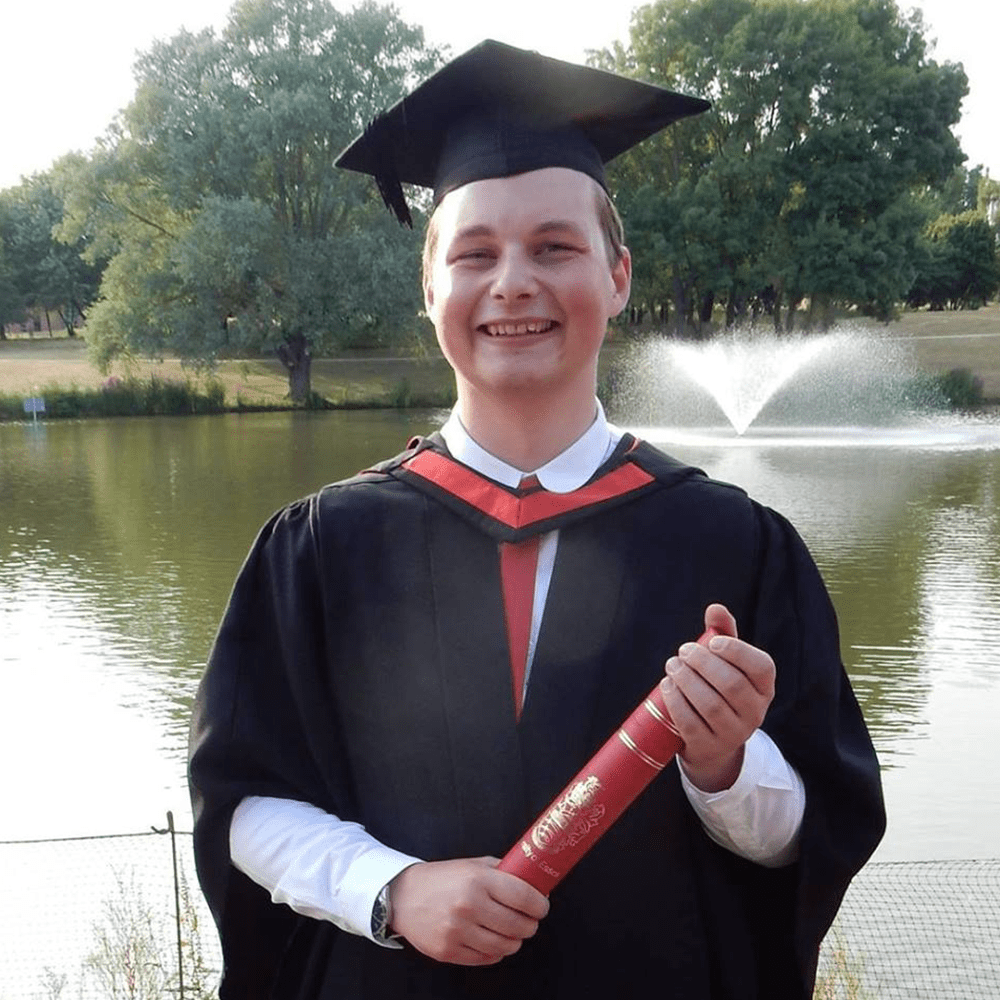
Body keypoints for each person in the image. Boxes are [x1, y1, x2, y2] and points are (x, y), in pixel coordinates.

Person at [189, 39, 885, 1000]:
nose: (512, 281)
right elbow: (245, 802)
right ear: (431, 288)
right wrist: (391, 890)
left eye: (555, 247)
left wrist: (724, 764)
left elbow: (806, 837)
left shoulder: (734, 544)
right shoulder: (321, 547)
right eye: (475, 253)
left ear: (619, 277)